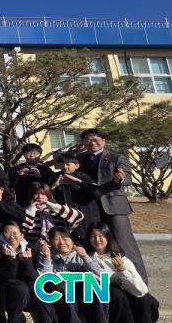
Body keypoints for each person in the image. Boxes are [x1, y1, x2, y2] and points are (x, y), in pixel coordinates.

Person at [76, 128, 148, 283]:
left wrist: (120, 178)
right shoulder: (79, 158)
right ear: (83, 142)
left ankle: (140, 283)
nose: (92, 143)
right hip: (89, 208)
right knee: (94, 245)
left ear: (103, 141)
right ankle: (103, 282)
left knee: (125, 245)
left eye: (96, 139)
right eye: (88, 140)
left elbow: (127, 178)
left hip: (113, 206)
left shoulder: (116, 157)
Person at [81, 222, 159, 323]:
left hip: (127, 291)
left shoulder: (121, 258)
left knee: (146, 300)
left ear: (108, 236)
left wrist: (122, 270)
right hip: (107, 296)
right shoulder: (87, 258)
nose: (97, 240)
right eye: (93, 236)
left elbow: (141, 290)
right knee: (117, 295)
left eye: (101, 235)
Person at [0, 222, 52, 323]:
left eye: (15, 233)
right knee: (20, 287)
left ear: (22, 235)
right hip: (3, 293)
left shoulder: (29, 249)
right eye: (7, 233)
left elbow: (33, 277)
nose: (11, 236)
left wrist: (27, 261)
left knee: (37, 289)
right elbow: (8, 277)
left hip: (25, 295)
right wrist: (9, 259)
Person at [35, 227, 92, 323]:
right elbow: (43, 279)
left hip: (79, 294)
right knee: (58, 283)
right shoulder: (46, 255)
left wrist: (85, 257)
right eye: (56, 239)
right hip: (58, 295)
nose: (61, 242)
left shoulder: (80, 254)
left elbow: (97, 274)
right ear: (50, 242)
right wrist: (47, 257)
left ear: (73, 241)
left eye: (65, 239)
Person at [50, 153, 101, 241]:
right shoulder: (56, 177)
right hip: (66, 215)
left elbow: (97, 193)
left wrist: (78, 181)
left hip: (86, 213)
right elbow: (47, 195)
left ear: (77, 166)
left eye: (68, 164)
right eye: (61, 164)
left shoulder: (83, 176)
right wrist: (55, 185)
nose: (65, 167)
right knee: (70, 239)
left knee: (88, 237)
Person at [10, 143, 54, 208]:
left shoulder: (46, 170)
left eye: (35, 153)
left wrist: (40, 177)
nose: (32, 155)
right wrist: (17, 175)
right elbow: (10, 185)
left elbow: (51, 186)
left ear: (40, 155)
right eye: (29, 152)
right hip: (23, 203)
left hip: (43, 203)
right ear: (24, 154)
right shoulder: (16, 169)